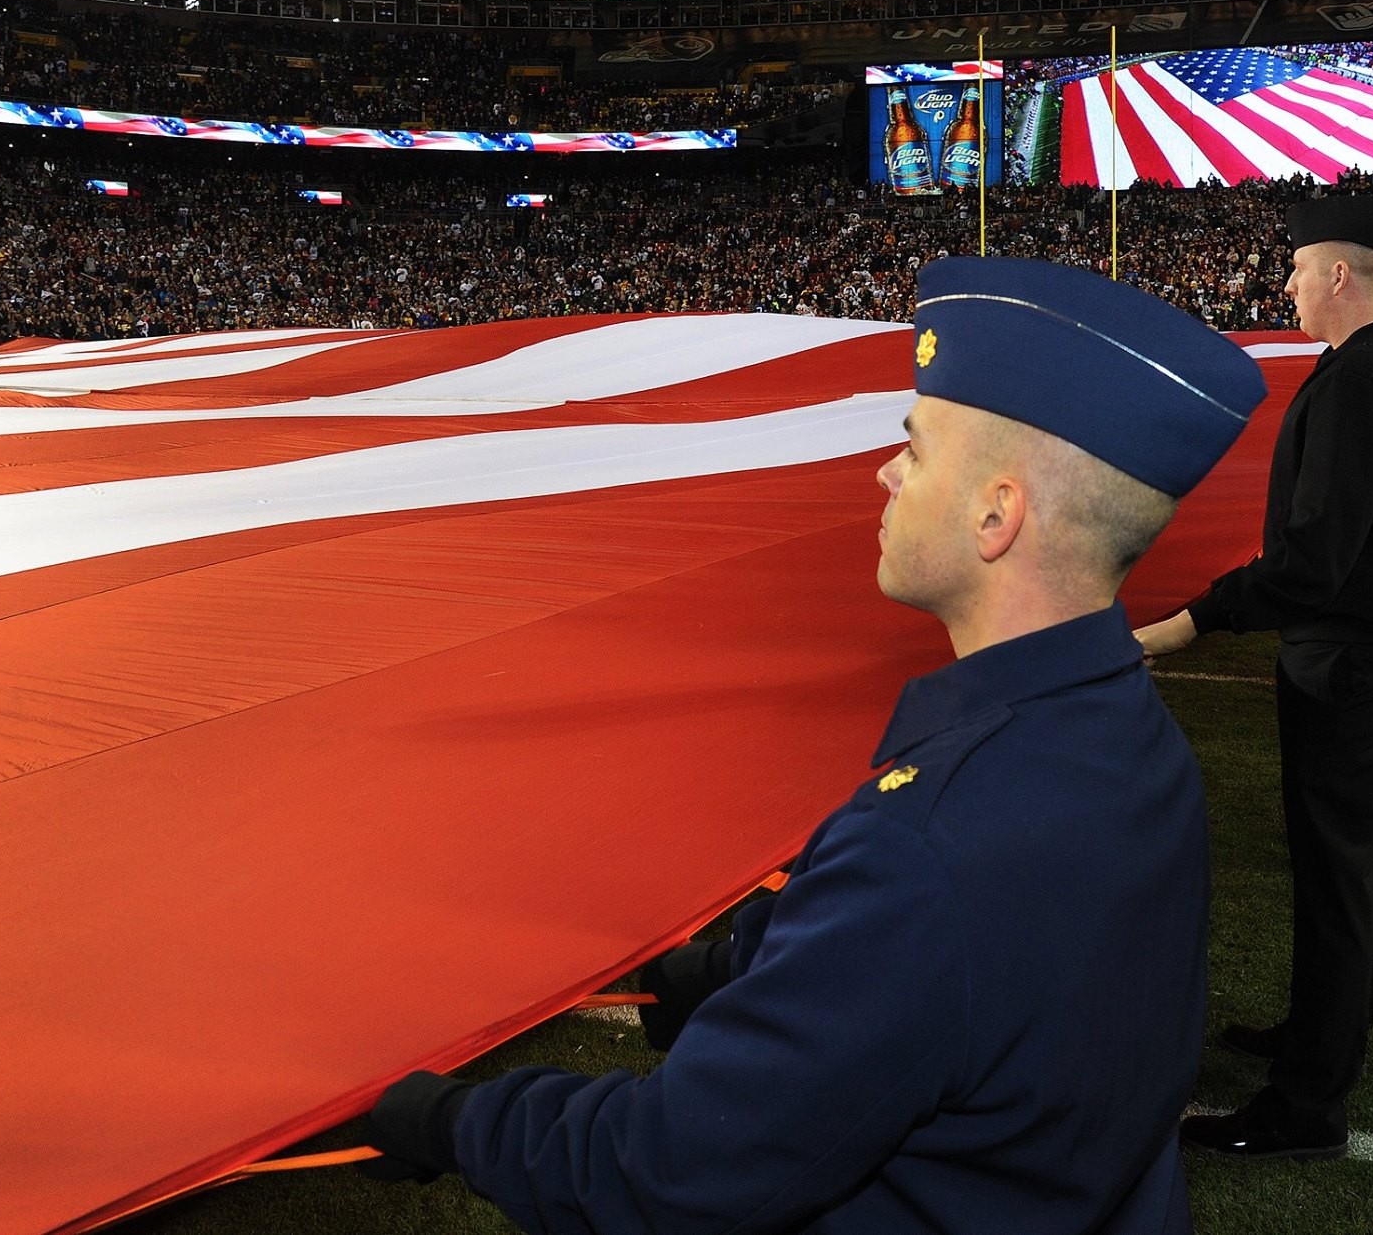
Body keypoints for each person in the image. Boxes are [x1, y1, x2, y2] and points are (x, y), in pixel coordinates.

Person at [360, 256, 1266, 1233]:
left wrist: (457, 1121)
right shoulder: (1133, 738)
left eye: (914, 451)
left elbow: (675, 1164)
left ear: (994, 515)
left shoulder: (927, 841)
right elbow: (975, 980)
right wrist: (732, 967)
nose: (885, 469)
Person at [1134, 195, 1373, 1160]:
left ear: (1339, 276)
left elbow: (1315, 555)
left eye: (1294, 267)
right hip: (1372, 658)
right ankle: (1322, 1034)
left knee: (1336, 880)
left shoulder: (1363, 379)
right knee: (1344, 875)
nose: (1282, 284)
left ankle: (1307, 1105)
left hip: (1355, 665)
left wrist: (1196, 619)